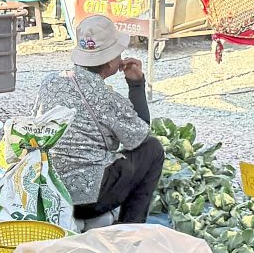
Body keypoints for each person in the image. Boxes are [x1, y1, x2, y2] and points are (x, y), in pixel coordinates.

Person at [35, 15, 162, 225]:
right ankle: (130, 230)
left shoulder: (50, 82)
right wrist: (136, 84)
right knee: (153, 149)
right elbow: (140, 137)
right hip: (86, 201)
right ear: (112, 61)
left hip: (48, 190)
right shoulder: (108, 99)